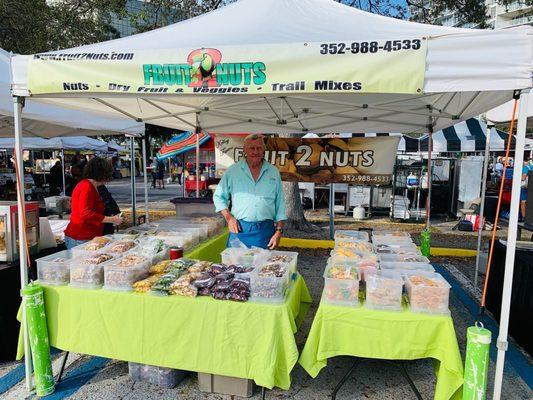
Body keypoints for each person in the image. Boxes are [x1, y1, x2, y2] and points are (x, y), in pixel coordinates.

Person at [213, 134, 286, 249]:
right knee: (236, 265)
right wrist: (229, 218)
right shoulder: (233, 171)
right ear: (245, 150)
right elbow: (218, 197)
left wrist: (279, 232)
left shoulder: (273, 172)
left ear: (264, 150)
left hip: (265, 232)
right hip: (240, 229)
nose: (255, 151)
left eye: (259, 148)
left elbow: (280, 203)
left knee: (263, 266)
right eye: (252, 148)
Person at [64, 157, 122, 249]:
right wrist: (111, 219)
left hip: (89, 235)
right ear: (102, 173)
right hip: (80, 236)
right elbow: (85, 213)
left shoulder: (92, 186)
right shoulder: (86, 186)